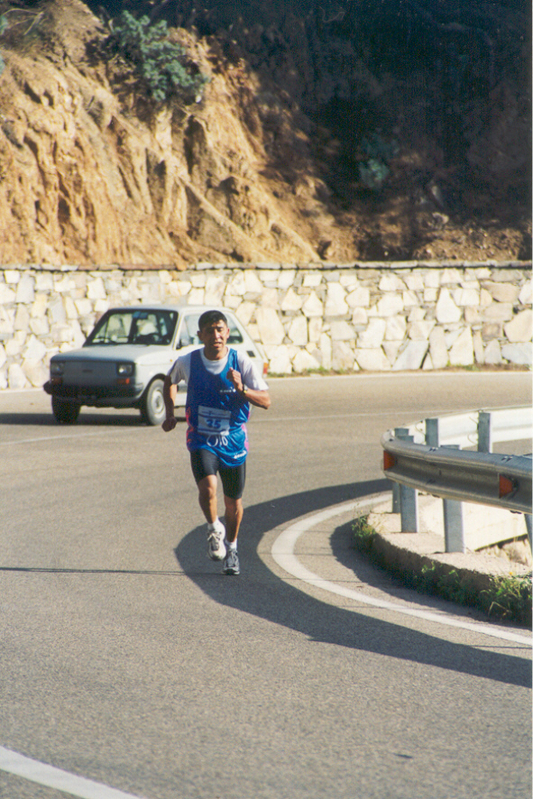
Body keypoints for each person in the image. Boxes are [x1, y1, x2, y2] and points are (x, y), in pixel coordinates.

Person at [162, 310, 271, 575]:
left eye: (220, 330)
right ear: (200, 335)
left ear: (227, 333)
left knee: (233, 504)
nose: (216, 335)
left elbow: (266, 401)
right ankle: (213, 529)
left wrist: (242, 389)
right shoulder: (188, 361)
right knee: (208, 488)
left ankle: (232, 548)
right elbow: (170, 381)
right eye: (209, 331)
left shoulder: (240, 361)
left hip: (233, 441)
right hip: (201, 438)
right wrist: (169, 413)